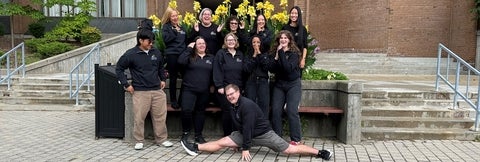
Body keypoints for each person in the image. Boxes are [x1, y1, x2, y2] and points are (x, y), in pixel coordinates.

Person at [180, 84, 332, 161]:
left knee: (288, 150)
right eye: (228, 95)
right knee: (223, 141)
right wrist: (236, 142)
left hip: (264, 133)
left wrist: (245, 148)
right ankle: (194, 147)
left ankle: (320, 152)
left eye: (232, 94)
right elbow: (239, 126)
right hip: (245, 134)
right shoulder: (232, 105)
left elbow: (248, 128)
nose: (230, 97)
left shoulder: (247, 105)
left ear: (238, 92)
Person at [115, 29, 173, 150]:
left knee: (160, 117)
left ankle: (161, 139)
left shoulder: (156, 52)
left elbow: (161, 67)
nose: (151, 43)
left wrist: (163, 79)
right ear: (140, 40)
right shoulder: (130, 54)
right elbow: (119, 68)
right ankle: (139, 140)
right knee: (139, 117)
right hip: (140, 91)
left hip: (157, 90)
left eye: (152, 41)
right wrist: (126, 84)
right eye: (149, 41)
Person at [177, 36, 214, 144]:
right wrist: (188, 49)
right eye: (199, 44)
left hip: (204, 91)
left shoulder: (211, 57)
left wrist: (212, 85)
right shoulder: (190, 56)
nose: (202, 45)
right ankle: (185, 133)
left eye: (203, 43)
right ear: (195, 46)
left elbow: (214, 73)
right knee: (186, 111)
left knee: (200, 112)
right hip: (189, 89)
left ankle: (198, 135)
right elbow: (180, 62)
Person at [269, 30, 303, 145]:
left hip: (293, 84)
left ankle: (296, 139)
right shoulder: (276, 52)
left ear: (289, 40)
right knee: (276, 111)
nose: (283, 40)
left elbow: (288, 69)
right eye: (281, 38)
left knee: (291, 110)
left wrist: (281, 53)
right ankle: (277, 138)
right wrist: (277, 56)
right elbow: (272, 69)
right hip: (279, 85)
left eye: (285, 38)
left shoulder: (294, 54)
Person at [213, 33, 247, 136]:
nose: (231, 42)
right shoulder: (221, 53)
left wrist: (243, 88)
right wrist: (219, 86)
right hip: (225, 88)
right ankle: (228, 136)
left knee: (238, 112)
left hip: (238, 89)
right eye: (229, 40)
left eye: (233, 40)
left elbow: (244, 72)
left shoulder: (240, 54)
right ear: (225, 42)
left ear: (236, 42)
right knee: (228, 111)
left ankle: (237, 135)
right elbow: (217, 70)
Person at [161, 7, 187, 109]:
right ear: (169, 17)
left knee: (186, 77)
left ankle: (181, 99)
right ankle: (173, 100)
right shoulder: (166, 27)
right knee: (173, 78)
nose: (175, 18)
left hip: (183, 55)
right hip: (172, 55)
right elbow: (166, 40)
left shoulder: (182, 27)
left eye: (176, 15)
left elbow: (186, 40)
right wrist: (175, 32)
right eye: (173, 16)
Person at [244, 35, 271, 117]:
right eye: (254, 42)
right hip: (251, 81)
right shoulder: (248, 55)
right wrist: (254, 56)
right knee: (250, 105)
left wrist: (259, 53)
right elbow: (247, 69)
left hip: (263, 82)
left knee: (264, 106)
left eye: (258, 42)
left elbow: (266, 67)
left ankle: (263, 128)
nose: (256, 44)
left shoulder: (265, 55)